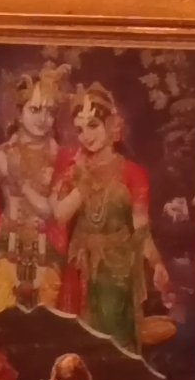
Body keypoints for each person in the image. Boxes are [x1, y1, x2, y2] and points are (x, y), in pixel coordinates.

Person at [28, 82, 172, 351]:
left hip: (119, 271)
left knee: (115, 342)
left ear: (112, 125)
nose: (86, 136)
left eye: (93, 125)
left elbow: (140, 227)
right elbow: (60, 215)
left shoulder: (132, 173)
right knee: (81, 343)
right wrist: (82, 180)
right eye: (80, 129)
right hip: (81, 267)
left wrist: (157, 263)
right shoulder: (74, 171)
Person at [0, 62, 72, 323]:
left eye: (49, 112)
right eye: (34, 109)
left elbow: (50, 212)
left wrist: (21, 180)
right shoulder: (2, 155)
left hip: (46, 252)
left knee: (44, 328)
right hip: (7, 249)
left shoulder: (61, 158)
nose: (42, 119)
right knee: (1, 325)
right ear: (19, 113)